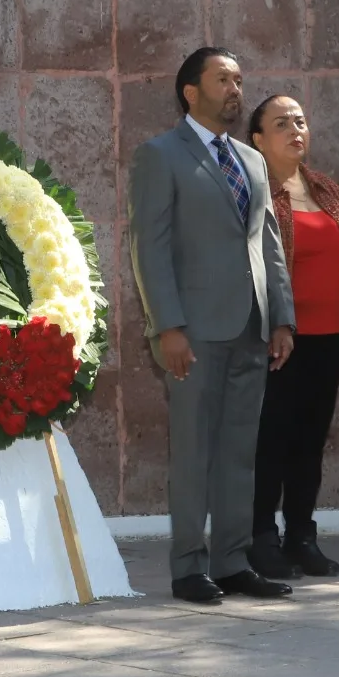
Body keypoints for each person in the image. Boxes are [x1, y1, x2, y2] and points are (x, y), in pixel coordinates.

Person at [127, 47, 296, 604]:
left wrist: (281, 319)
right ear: (190, 92)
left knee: (238, 452)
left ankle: (231, 560)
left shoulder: (251, 160)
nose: (235, 89)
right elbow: (149, 248)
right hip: (193, 331)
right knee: (194, 451)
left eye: (239, 80)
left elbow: (269, 243)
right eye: (222, 79)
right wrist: (166, 327)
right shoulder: (161, 155)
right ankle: (187, 567)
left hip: (251, 326)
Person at [245, 96, 339, 579]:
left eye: (299, 121)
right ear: (258, 140)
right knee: (270, 442)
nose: (295, 129)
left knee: (309, 443)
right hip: (278, 337)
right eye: (281, 124)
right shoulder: (254, 190)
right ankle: (259, 538)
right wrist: (276, 321)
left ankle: (301, 537)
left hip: (328, 336)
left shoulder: (326, 189)